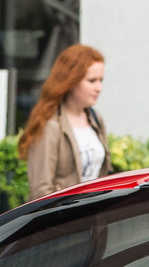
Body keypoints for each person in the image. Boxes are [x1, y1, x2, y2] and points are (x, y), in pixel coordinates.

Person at [19, 44, 111, 200]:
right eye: (92, 80)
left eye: (101, 80)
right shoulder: (50, 125)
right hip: (64, 220)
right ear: (71, 81)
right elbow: (41, 191)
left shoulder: (95, 119)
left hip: (93, 218)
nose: (99, 88)